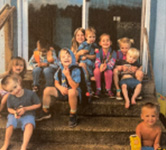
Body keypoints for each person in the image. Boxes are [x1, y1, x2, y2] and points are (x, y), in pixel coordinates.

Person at [36, 48, 82, 128]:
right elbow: (56, 83)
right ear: (60, 60)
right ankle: (45, 111)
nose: (66, 58)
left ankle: (73, 114)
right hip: (63, 91)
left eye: (68, 56)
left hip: (74, 94)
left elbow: (75, 86)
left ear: (73, 58)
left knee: (72, 91)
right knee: (47, 90)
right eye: (63, 57)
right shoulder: (60, 70)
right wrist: (60, 88)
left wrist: (68, 75)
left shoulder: (76, 70)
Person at [0, 74, 41, 150]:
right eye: (11, 91)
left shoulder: (30, 93)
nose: (15, 91)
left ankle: (24, 146)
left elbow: (38, 104)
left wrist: (26, 109)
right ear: (8, 92)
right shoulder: (10, 97)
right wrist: (14, 112)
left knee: (29, 125)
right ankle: (6, 143)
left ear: (19, 82)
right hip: (15, 115)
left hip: (28, 113)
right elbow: (9, 109)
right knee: (9, 124)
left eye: (15, 87)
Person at [93, 33, 117, 98]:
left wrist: (106, 66)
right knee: (96, 71)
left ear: (111, 42)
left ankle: (108, 90)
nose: (105, 42)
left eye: (107, 40)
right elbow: (97, 61)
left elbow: (112, 62)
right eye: (103, 41)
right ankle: (98, 89)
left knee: (108, 72)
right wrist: (100, 66)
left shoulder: (113, 52)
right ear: (100, 43)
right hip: (100, 68)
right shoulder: (98, 51)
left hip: (108, 68)